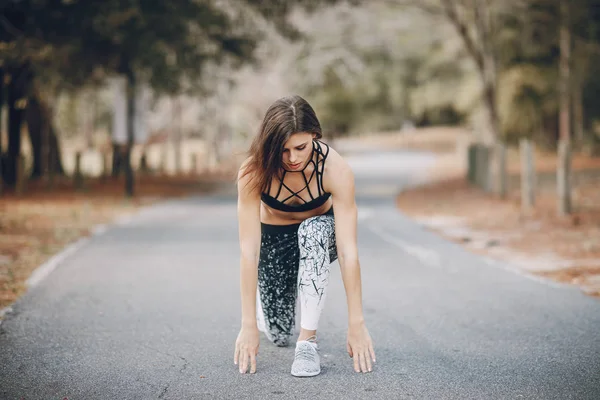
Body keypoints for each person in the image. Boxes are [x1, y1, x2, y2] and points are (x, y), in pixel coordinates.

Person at [234, 95, 376, 377]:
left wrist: (356, 322)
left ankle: (307, 343)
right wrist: (248, 324)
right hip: (276, 239)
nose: (293, 158)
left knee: (312, 230)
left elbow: (348, 252)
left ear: (315, 134)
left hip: (321, 234)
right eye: (283, 150)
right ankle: (269, 313)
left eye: (300, 147)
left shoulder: (335, 169)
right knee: (277, 334)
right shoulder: (252, 172)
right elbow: (249, 251)